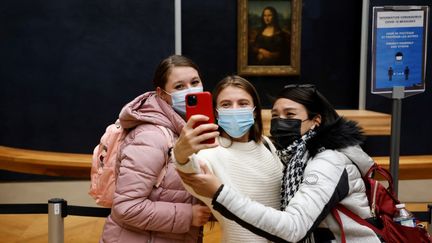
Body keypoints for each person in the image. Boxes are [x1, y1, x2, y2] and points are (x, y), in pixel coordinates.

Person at [178, 84, 382, 242]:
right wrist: (180, 152)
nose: (280, 121)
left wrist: (221, 193)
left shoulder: (327, 162)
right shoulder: (293, 155)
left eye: (290, 115)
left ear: (316, 120)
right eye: (275, 115)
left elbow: (293, 227)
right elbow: (191, 171)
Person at [100, 55, 212, 243]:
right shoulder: (150, 136)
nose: (190, 91)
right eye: (179, 86)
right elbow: (127, 207)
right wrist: (188, 216)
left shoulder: (187, 130)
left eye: (195, 82)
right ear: (160, 93)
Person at [173, 75, 283, 242]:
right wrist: (180, 154)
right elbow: (191, 173)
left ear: (254, 111)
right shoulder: (209, 151)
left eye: (243, 103)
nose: (234, 109)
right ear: (216, 113)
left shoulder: (266, 144)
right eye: (226, 105)